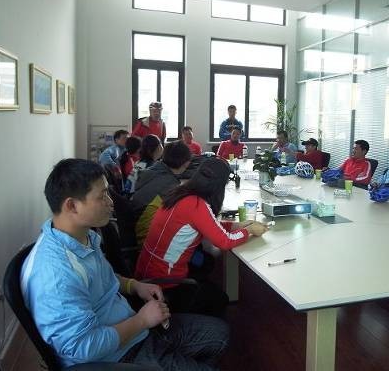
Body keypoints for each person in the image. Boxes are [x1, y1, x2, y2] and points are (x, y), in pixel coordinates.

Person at [21, 158, 228, 369]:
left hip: (133, 328)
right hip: (118, 357)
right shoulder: (55, 275)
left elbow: (103, 279)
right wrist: (142, 321)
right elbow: (84, 348)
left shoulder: (83, 236)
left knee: (220, 334)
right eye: (102, 196)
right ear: (72, 205)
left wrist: (134, 286)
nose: (111, 202)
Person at [135, 158, 268, 317]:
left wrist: (238, 225)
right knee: (221, 298)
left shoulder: (182, 193)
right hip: (163, 283)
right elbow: (224, 242)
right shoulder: (197, 205)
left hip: (146, 272)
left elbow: (208, 225)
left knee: (208, 263)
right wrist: (249, 230)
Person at [132, 141, 192, 248]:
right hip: (148, 240)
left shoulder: (152, 170)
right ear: (186, 163)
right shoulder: (170, 185)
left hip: (135, 224)